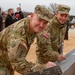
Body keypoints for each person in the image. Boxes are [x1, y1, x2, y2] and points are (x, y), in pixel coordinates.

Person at [0, 5, 56, 75]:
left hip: (7, 60)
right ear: (32, 16)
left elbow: (44, 43)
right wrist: (43, 68)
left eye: (45, 22)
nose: (41, 25)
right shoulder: (17, 36)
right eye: (39, 20)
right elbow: (18, 64)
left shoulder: (32, 26)